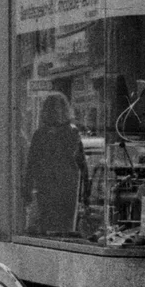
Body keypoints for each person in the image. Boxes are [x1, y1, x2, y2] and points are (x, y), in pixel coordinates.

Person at [24, 92, 90, 237]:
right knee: (63, 228)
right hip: (66, 189)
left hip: (50, 188)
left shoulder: (41, 134)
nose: (56, 112)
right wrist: (86, 193)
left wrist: (27, 190)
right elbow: (82, 165)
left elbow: (31, 165)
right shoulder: (72, 132)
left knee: (48, 228)